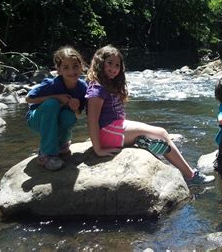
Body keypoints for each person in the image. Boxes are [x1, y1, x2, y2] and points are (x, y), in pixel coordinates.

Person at [85, 45, 214, 184]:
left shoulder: (109, 84)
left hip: (114, 130)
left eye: (117, 65)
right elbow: (92, 121)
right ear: (100, 62)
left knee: (162, 135)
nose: (114, 68)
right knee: (161, 133)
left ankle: (141, 141)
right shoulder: (97, 89)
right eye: (109, 63)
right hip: (107, 133)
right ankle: (191, 176)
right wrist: (98, 149)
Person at [26, 46, 88, 171]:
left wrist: (75, 107)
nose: (72, 71)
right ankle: (46, 154)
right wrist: (56, 96)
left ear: (81, 66)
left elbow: (78, 113)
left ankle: (62, 144)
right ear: (58, 70)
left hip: (54, 120)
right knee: (52, 104)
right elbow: (28, 99)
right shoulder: (51, 84)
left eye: (75, 66)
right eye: (66, 67)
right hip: (37, 119)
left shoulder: (82, 87)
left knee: (69, 116)